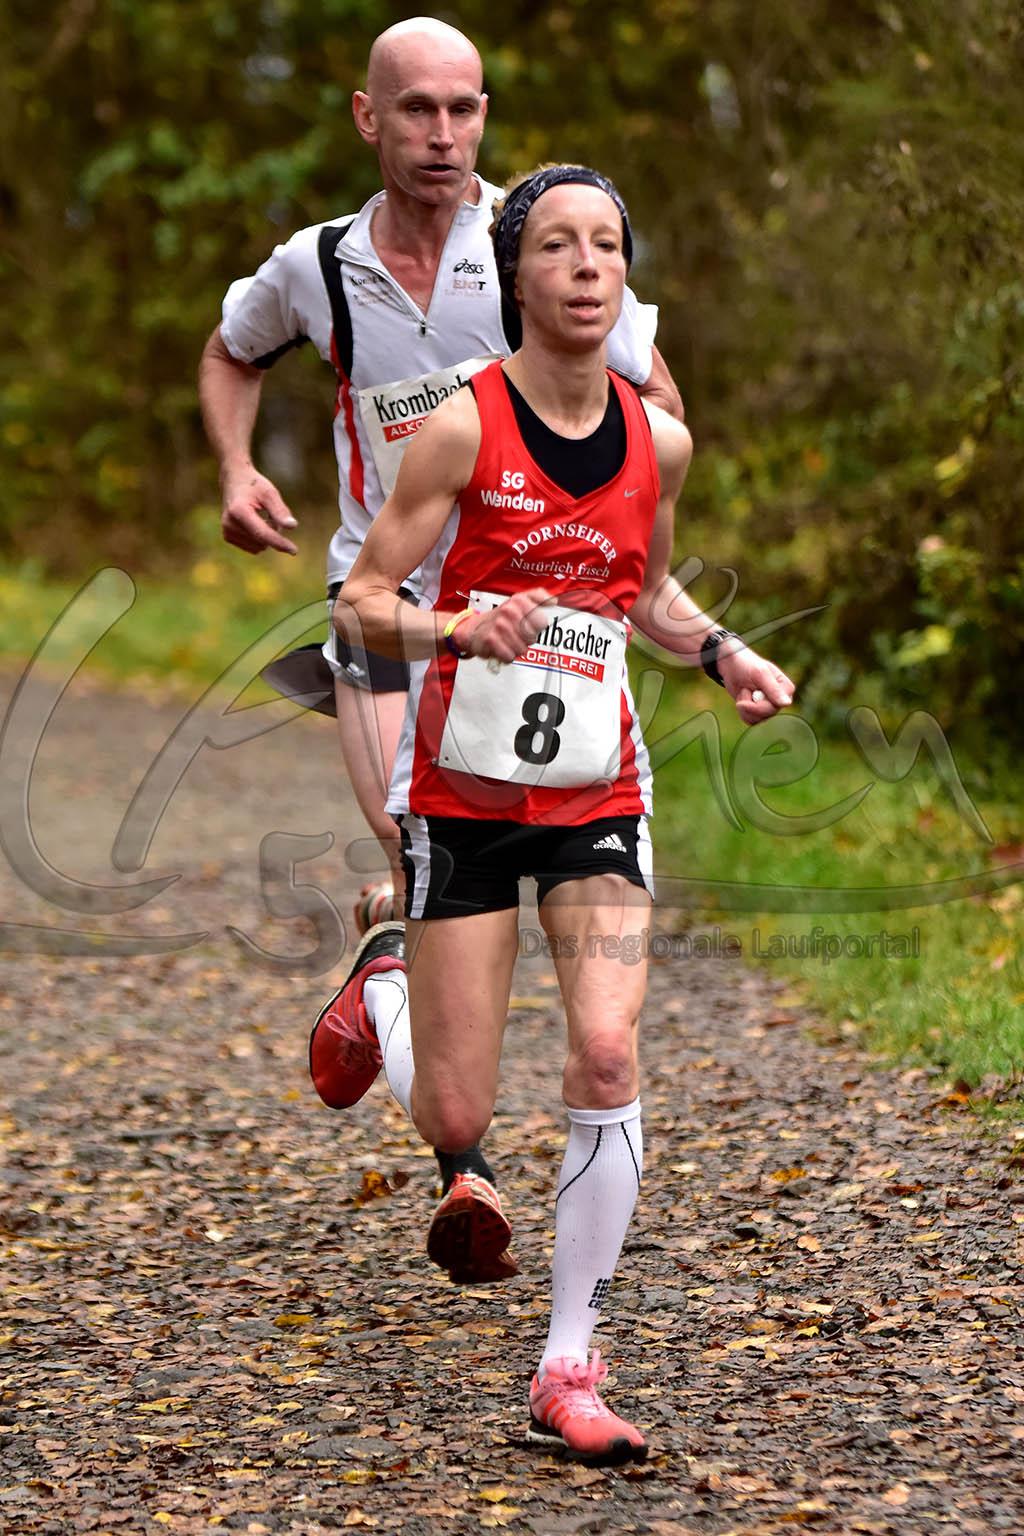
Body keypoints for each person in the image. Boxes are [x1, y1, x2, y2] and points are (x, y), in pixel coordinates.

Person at [198, 19, 683, 1286]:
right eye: (417, 109)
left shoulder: (532, 245)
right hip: (383, 606)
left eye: (464, 109)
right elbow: (231, 351)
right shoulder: (317, 265)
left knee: (435, 870)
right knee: (412, 838)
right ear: (369, 118)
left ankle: (389, 981)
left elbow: (653, 397)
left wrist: (603, 504)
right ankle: (461, 1159)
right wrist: (239, 469)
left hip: (519, 624)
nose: (443, 134)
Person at [333, 164, 795, 1463]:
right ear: (514, 275)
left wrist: (725, 654)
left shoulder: (662, 442)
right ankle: (384, 987)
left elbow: (645, 595)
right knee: (455, 1115)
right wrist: (453, 626)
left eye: (606, 246)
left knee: (603, 1053)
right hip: (463, 796)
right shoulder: (459, 427)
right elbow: (361, 601)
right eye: (556, 246)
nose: (586, 267)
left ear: (625, 278)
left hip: (597, 790)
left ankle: (569, 1363)